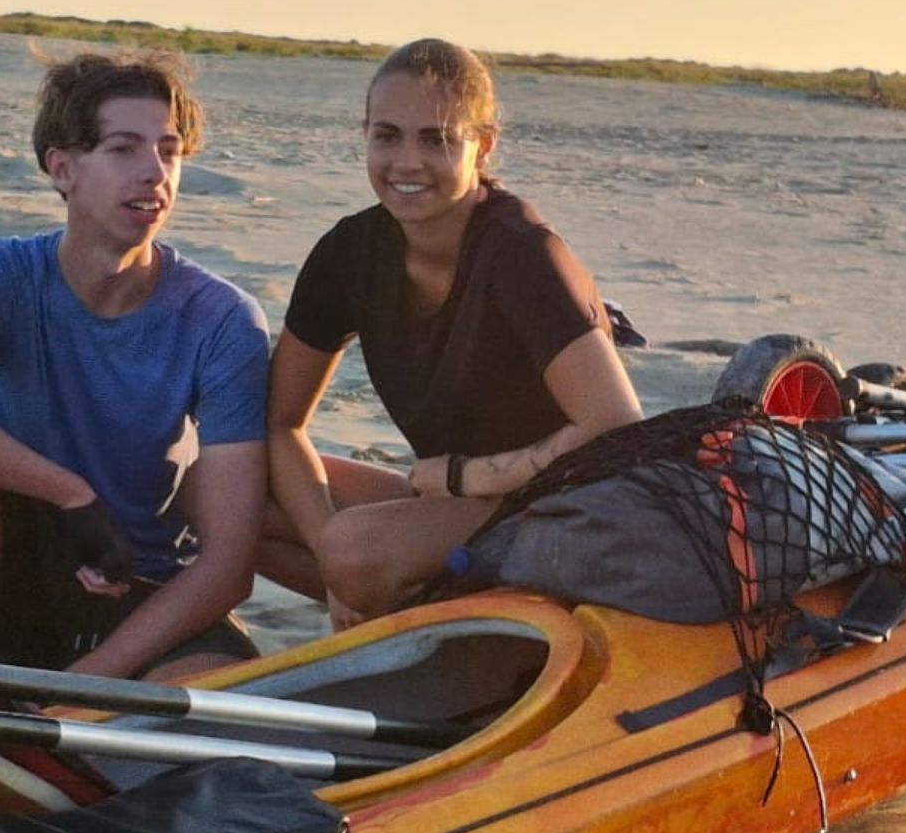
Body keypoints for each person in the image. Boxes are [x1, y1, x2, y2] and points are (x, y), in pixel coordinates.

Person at [0, 50, 270, 680]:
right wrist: (70, 495)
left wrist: (81, 686)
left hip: (144, 593)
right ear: (62, 168)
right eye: (124, 149)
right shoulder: (0, 274)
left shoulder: (223, 320)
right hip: (21, 575)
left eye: (169, 150)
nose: (154, 172)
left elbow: (230, 564)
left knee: (200, 732)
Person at [264, 38, 643, 626]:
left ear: (483, 145)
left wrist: (471, 476)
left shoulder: (522, 253)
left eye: (437, 139)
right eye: (387, 136)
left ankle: (400, 611)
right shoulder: (349, 252)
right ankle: (383, 610)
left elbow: (618, 428)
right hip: (451, 505)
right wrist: (326, 552)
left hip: (560, 508)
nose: (407, 163)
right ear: (364, 133)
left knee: (355, 549)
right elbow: (282, 422)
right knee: (241, 485)